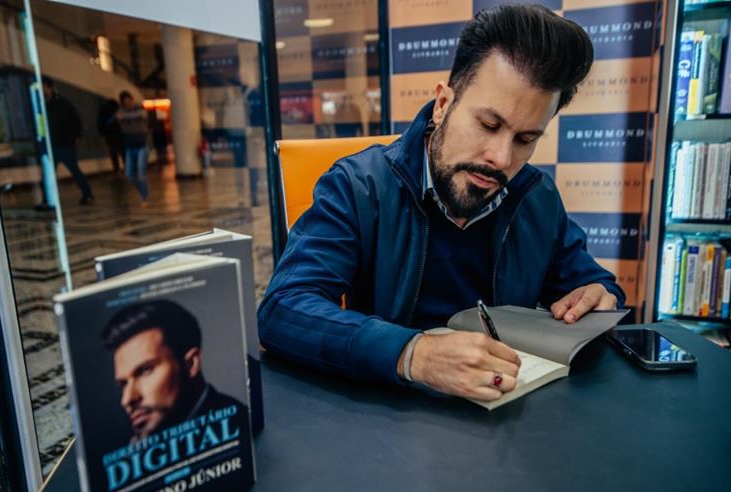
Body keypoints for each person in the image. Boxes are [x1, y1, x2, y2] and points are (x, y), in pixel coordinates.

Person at [258, 5, 625, 404]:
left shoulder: (536, 197)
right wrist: (415, 355)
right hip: (389, 415)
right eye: (488, 125)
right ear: (443, 103)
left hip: (507, 419)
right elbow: (284, 309)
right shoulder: (358, 185)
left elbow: (595, 287)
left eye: (525, 139)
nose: (501, 158)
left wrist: (598, 296)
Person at [101, 300, 246, 441]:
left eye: (145, 371)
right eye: (123, 384)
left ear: (191, 364)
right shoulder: (141, 444)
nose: (127, 399)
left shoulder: (242, 425)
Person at [42, 77, 94, 205]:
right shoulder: (44, 104)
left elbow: (74, 120)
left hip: (64, 144)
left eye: (43, 87)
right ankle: (47, 198)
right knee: (50, 173)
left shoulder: (62, 103)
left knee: (74, 170)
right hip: (52, 144)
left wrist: (75, 137)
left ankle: (87, 194)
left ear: (49, 87)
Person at [117, 91, 150, 202]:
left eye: (129, 101)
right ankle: (142, 191)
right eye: (125, 102)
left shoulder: (139, 109)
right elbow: (119, 118)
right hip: (129, 146)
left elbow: (142, 115)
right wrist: (128, 116)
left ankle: (144, 196)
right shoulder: (121, 111)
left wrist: (126, 116)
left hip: (141, 146)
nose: (128, 104)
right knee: (129, 174)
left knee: (141, 172)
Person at [97, 98, 124, 174]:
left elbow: (101, 122)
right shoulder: (118, 110)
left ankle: (117, 170)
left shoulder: (103, 110)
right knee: (122, 151)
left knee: (113, 152)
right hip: (118, 133)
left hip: (109, 134)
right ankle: (127, 167)